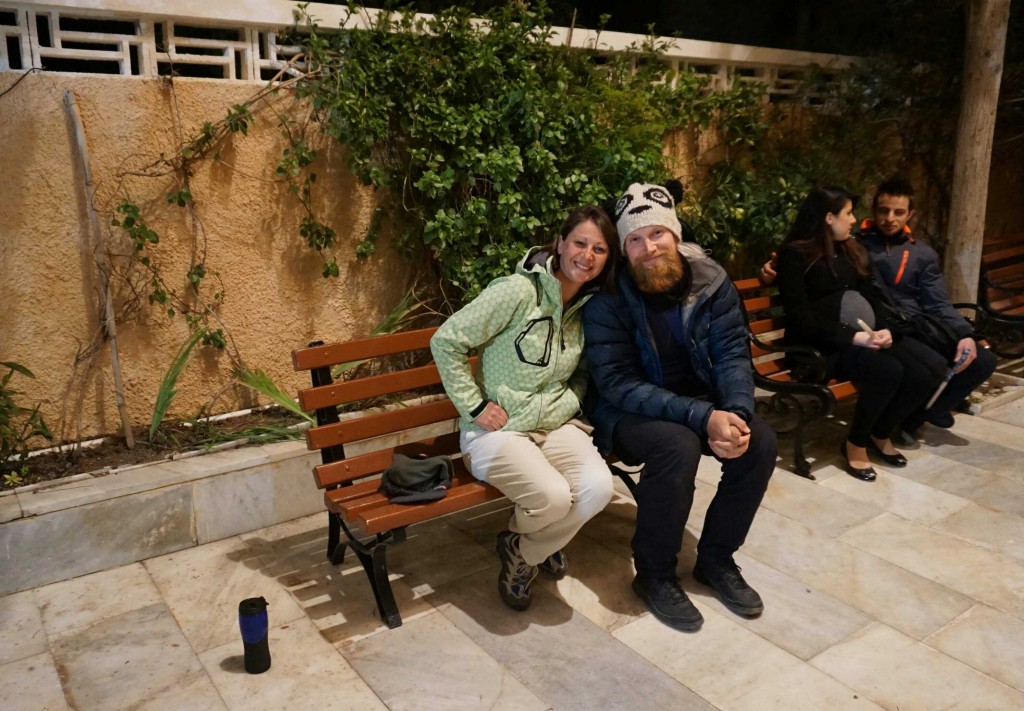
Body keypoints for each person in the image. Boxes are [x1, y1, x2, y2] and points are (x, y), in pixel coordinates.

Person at [583, 182, 776, 633]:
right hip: (626, 408)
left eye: (656, 234)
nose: (647, 247)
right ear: (624, 250)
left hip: (697, 398)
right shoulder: (609, 298)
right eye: (633, 239)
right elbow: (616, 382)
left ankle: (716, 560)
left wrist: (736, 414)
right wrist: (702, 417)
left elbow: (731, 355)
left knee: (760, 442)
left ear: (674, 233)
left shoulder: (711, 281)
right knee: (678, 446)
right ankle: (653, 574)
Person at [430, 206, 619, 612]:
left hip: (554, 423)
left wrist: (569, 401)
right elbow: (446, 341)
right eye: (580, 243)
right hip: (497, 432)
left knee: (598, 488)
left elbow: (583, 372)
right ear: (560, 242)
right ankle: (539, 545)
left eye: (599, 249)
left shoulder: (591, 307)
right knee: (552, 498)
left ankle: (523, 549)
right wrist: (475, 405)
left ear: (608, 259)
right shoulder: (516, 291)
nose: (587, 256)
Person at [762, 177, 997, 437]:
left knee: (974, 359)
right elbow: (805, 294)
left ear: (910, 214)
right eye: (883, 210)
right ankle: (876, 433)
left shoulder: (912, 253)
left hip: (900, 324)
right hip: (857, 332)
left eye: (899, 212)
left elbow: (935, 301)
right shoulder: (855, 244)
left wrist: (964, 332)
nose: (890, 218)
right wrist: (771, 269)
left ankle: (910, 419)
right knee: (908, 368)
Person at [772, 186, 943, 481]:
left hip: (862, 336)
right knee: (888, 370)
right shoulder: (795, 255)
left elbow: (871, 294)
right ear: (828, 217)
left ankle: (879, 431)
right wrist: (853, 337)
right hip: (818, 347)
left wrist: (885, 329)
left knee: (929, 369)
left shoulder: (848, 248)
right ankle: (856, 442)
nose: (853, 220)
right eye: (848, 213)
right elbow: (800, 319)